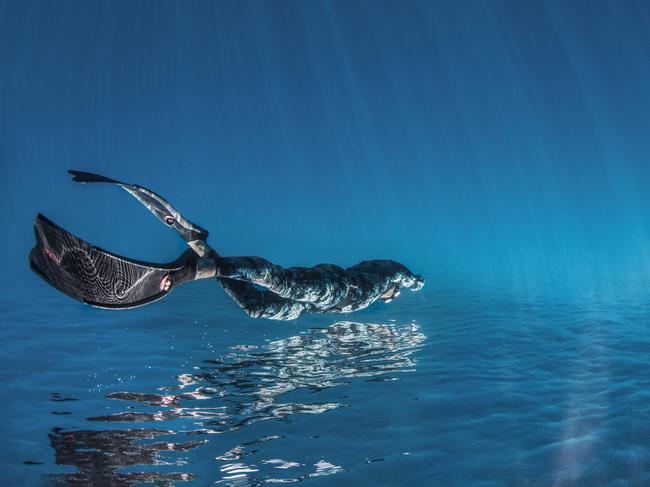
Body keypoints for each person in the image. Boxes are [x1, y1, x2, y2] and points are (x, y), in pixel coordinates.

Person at [29, 171, 424, 321]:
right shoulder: (386, 274)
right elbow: (409, 277)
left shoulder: (377, 288)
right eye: (393, 293)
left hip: (316, 308)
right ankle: (194, 267)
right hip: (336, 288)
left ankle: (205, 259)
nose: (392, 295)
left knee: (257, 307)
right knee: (280, 280)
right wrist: (416, 283)